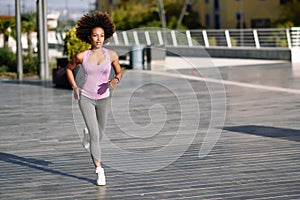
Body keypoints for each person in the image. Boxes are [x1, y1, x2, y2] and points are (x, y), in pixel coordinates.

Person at [66, 11, 122, 186]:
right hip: (86, 98)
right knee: (96, 136)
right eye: (95, 36)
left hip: (104, 98)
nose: (99, 39)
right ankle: (99, 170)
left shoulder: (111, 55)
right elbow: (68, 69)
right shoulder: (82, 56)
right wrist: (75, 87)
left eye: (102, 36)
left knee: (100, 134)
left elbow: (119, 72)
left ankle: (88, 135)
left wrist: (115, 79)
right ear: (89, 37)